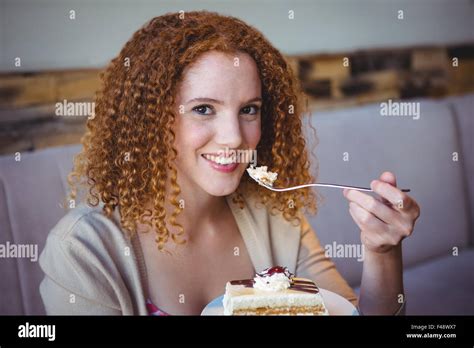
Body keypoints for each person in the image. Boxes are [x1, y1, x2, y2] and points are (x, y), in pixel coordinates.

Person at [39, 11, 420, 315]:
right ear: (150, 118)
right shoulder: (83, 252)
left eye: (249, 110)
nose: (235, 137)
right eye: (204, 109)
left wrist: (381, 252)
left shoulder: (276, 216)